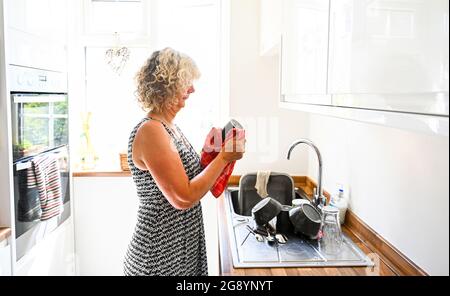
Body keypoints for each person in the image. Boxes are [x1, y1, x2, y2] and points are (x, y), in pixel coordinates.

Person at [123, 48, 245, 276]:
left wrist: (210, 152)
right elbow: (183, 197)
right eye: (186, 82)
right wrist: (224, 157)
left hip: (180, 249)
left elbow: (188, 178)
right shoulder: (151, 130)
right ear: (167, 85)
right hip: (159, 255)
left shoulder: (170, 127)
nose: (192, 89)